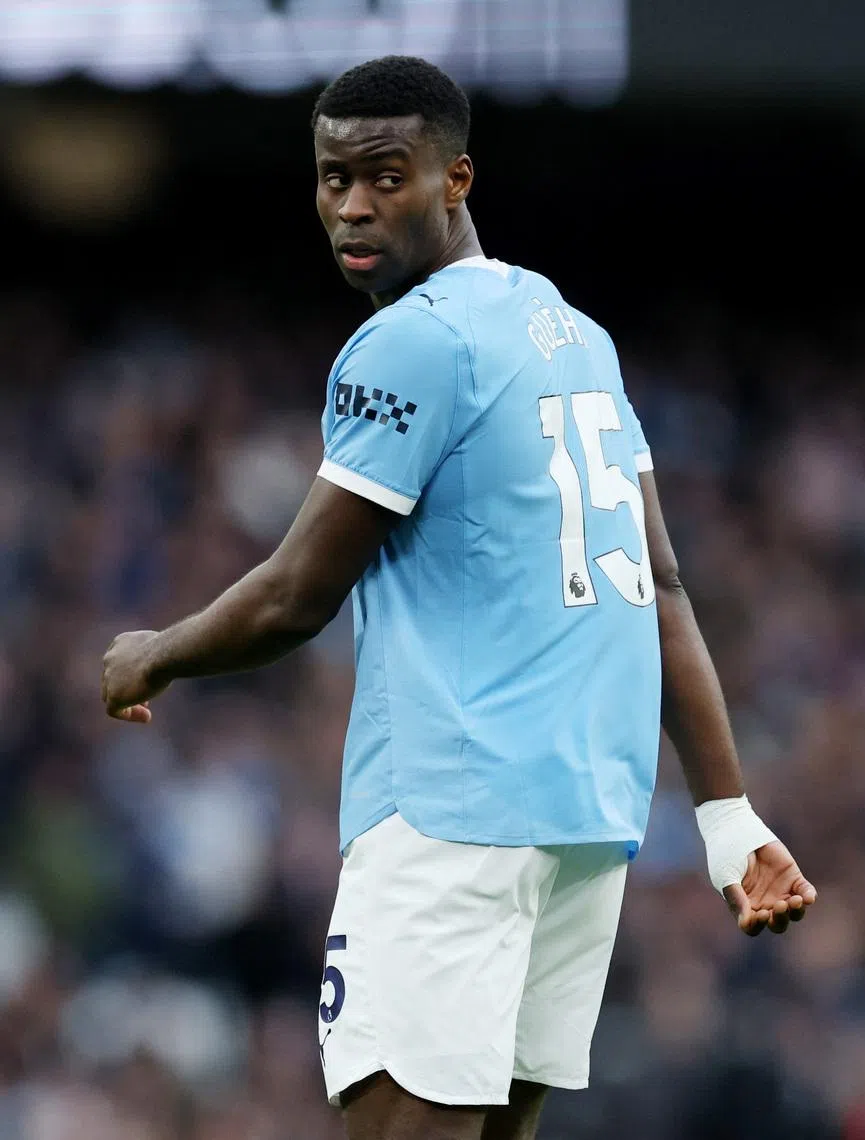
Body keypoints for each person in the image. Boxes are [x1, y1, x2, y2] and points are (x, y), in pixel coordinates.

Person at [101, 55, 817, 1140]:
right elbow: (659, 582)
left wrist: (153, 653)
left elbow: (298, 594)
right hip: (584, 825)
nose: (352, 203)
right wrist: (726, 816)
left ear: (456, 179)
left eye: (386, 175)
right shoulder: (576, 335)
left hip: (450, 821)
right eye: (332, 176)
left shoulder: (409, 343)